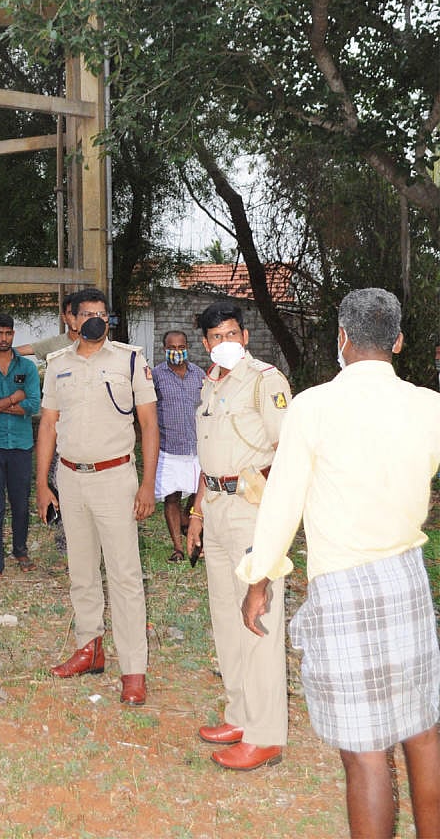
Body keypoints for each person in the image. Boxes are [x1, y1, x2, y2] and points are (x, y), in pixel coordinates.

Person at [239, 288, 440, 837]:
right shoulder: (430, 406)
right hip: (407, 581)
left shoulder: (314, 407)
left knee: (366, 751)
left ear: (342, 339)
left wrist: (259, 578)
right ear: (397, 341)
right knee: (423, 733)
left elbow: (283, 503)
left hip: (344, 587)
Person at [36, 288, 159, 706]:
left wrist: (147, 484)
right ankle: (89, 648)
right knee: (81, 570)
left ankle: (133, 670)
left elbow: (149, 423)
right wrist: (42, 483)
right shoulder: (57, 365)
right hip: (70, 479)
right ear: (70, 320)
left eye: (102, 314)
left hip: (115, 479)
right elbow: (49, 426)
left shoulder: (129, 359)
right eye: (87, 314)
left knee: (125, 576)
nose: (95, 320)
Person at [187, 301, 291, 770]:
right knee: (226, 616)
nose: (224, 343)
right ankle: (240, 714)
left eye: (232, 334)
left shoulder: (265, 380)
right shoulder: (211, 382)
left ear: (244, 337)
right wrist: (196, 511)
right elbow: (207, 453)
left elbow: (288, 452)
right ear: (205, 343)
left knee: (258, 617)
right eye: (214, 337)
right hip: (214, 504)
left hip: (252, 507)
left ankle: (266, 733)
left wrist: (273, 512)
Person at [0, 312, 41, 586]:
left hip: (21, 447)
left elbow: (34, 405)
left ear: (13, 335)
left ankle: (20, 551)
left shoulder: (27, 367)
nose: (3, 338)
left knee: (21, 504)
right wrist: (14, 398)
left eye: (8, 333)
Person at [152, 330, 205, 562]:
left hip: (196, 448)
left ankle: (189, 520)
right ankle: (178, 548)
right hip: (169, 448)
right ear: (164, 349)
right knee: (171, 497)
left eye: (181, 346)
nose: (177, 351)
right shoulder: (155, 376)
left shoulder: (199, 375)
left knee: (199, 493)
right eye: (171, 348)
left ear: (187, 346)